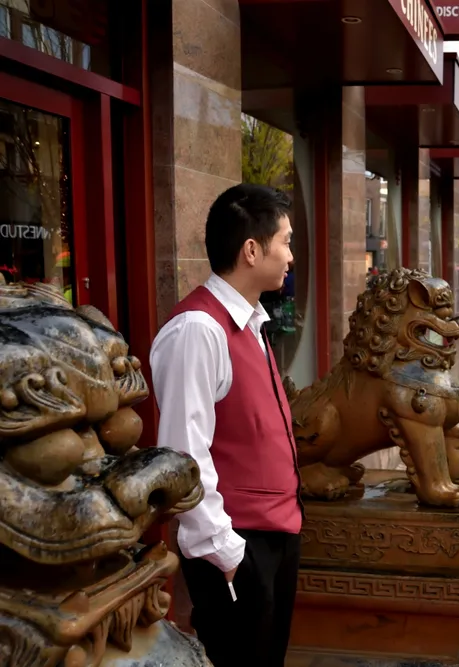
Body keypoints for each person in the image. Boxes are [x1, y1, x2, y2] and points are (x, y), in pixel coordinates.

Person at [150, 183, 302, 667]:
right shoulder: (198, 329)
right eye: (286, 242)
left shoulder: (249, 321)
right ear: (251, 250)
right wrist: (229, 553)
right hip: (236, 545)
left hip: (273, 535)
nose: (291, 256)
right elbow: (183, 455)